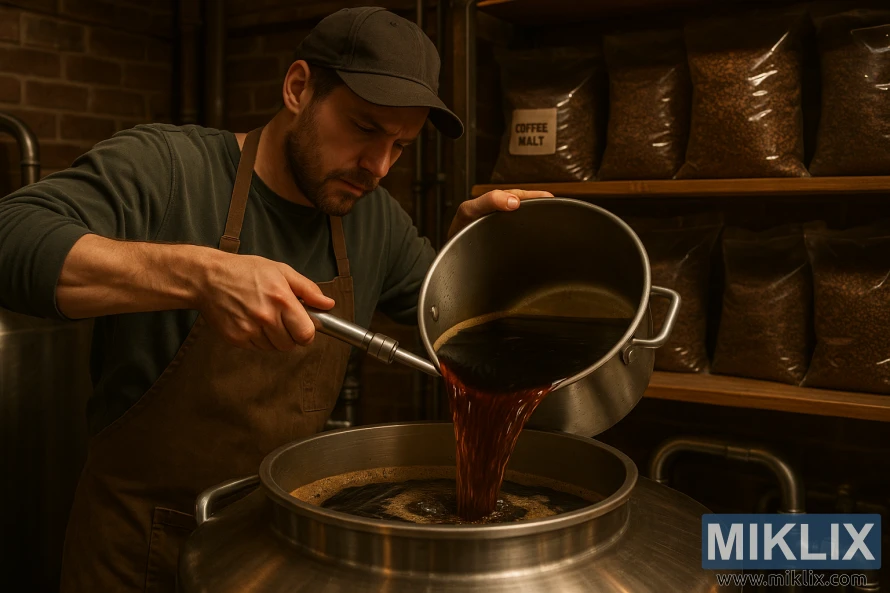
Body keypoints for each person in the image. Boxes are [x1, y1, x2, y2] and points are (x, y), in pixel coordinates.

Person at [0, 6, 551, 592]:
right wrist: (203, 274)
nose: (378, 166)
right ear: (298, 88)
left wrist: (473, 257)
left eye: (401, 145)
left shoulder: (375, 222)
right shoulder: (170, 169)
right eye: (364, 128)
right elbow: (11, 236)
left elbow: (457, 329)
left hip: (275, 554)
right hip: (138, 556)